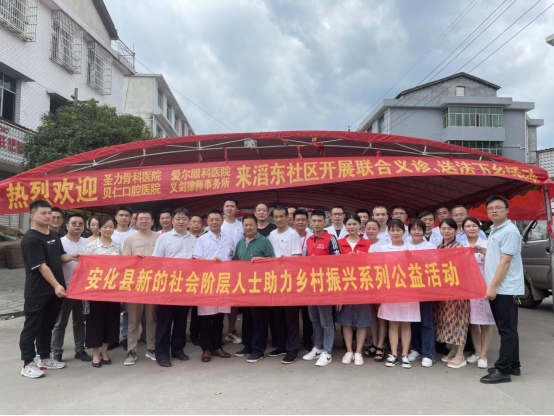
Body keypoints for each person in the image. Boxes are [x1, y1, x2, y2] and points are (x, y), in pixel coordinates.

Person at [19, 201, 79, 379]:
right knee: (32, 328)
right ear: (32, 216)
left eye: (49, 213)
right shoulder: (31, 239)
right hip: (38, 292)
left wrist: (72, 257)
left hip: (54, 292)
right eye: (43, 213)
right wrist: (56, 285)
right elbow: (41, 266)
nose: (48, 216)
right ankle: (27, 364)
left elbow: (59, 257)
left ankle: (44, 359)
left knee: (47, 327)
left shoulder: (53, 235)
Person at [479, 196, 524, 385]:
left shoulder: (510, 231)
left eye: (498, 207)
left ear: (507, 210)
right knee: (508, 329)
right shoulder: (496, 230)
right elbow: (498, 254)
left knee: (506, 330)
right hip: (500, 288)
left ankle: (503, 370)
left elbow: (505, 262)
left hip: (505, 289)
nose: (494, 211)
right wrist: (482, 250)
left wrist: (492, 286)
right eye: (490, 208)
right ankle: (513, 365)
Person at [152, 208, 196, 368]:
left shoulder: (194, 239)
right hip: (168, 285)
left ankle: (178, 349)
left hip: (186, 285)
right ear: (172, 220)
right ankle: (162, 354)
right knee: (164, 321)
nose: (181, 221)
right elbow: (156, 261)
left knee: (181, 319)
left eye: (184, 219)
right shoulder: (163, 238)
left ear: (189, 221)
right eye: (178, 219)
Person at [375, 219, 421, 369]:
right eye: (392, 230)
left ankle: (405, 355)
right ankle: (394, 354)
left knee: (406, 323)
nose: (395, 233)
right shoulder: (383, 249)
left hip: (408, 291)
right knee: (392, 322)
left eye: (398, 230)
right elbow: (378, 269)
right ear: (388, 232)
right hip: (390, 289)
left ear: (403, 232)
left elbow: (417, 268)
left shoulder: (411, 248)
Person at [193, 210, 235, 363]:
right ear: (207, 222)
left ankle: (217, 346)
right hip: (207, 282)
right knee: (205, 317)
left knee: (219, 316)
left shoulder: (229, 239)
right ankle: (206, 349)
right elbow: (196, 261)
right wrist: (211, 262)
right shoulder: (202, 240)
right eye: (211, 220)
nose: (214, 222)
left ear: (221, 221)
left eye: (217, 219)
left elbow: (233, 258)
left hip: (224, 281)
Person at [234, 215, 276, 363]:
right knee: (247, 318)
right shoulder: (240, 243)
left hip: (260, 287)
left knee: (259, 319)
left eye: (251, 224)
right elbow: (236, 263)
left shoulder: (264, 241)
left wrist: (261, 260)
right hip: (244, 287)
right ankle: (248, 346)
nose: (248, 227)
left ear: (256, 225)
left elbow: (273, 260)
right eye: (245, 225)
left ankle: (258, 350)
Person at [303, 210, 341, 367]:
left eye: (320, 221)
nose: (317, 223)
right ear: (311, 222)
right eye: (314, 221)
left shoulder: (331, 239)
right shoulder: (309, 239)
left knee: (326, 320)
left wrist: (319, 263)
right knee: (314, 318)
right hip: (311, 285)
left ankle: (327, 351)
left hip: (325, 285)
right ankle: (318, 347)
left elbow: (338, 261)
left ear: (325, 222)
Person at [52, 214, 92, 363]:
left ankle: (80, 350)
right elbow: (54, 261)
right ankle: (57, 351)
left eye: (80, 223)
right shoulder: (59, 242)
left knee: (80, 321)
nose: (77, 226)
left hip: (83, 290)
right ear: (67, 225)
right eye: (74, 223)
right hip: (66, 289)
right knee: (60, 323)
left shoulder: (88, 243)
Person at [122, 209, 160, 366]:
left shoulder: (160, 237)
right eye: (141, 218)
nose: (144, 221)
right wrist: (134, 260)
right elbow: (124, 262)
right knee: (133, 320)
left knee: (152, 318)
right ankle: (131, 350)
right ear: (135, 222)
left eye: (147, 218)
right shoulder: (129, 240)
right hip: (135, 285)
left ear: (152, 221)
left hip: (154, 284)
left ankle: (151, 348)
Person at [84, 216, 123, 369]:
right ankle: (95, 353)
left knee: (111, 321)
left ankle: (105, 351)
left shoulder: (117, 247)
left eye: (111, 227)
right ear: (99, 228)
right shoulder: (91, 246)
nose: (108, 229)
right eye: (105, 227)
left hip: (113, 291)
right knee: (95, 322)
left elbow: (123, 267)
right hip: (96, 291)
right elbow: (85, 268)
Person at [268, 206, 302, 365]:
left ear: (288, 217)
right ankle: (281, 345)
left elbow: (297, 256)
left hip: (289, 281)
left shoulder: (293, 234)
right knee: (278, 316)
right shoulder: (271, 235)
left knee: (291, 317)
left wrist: (285, 261)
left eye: (281, 216)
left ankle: (293, 349)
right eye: (276, 217)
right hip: (275, 281)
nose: (279, 219)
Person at [337, 214, 372, 366]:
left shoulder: (367, 243)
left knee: (362, 321)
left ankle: (358, 352)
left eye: (354, 224)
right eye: (349, 224)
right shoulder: (339, 243)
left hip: (362, 285)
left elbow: (373, 264)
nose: (352, 227)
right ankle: (349, 350)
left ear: (360, 225)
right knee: (345, 320)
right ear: (345, 226)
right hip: (344, 285)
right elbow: (332, 264)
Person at [435, 218, 470, 369]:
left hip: (457, 290)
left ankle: (460, 355)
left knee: (459, 320)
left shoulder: (459, 247)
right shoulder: (439, 246)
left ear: (455, 230)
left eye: (450, 228)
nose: (446, 231)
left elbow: (462, 269)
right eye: (443, 228)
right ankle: (454, 350)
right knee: (448, 320)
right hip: (444, 290)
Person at [462, 217, 495, 370]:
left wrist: (484, 251)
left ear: (479, 228)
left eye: (474, 226)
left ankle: (484, 355)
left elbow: (496, 262)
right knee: (473, 321)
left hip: (483, 284)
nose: (471, 228)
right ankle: (477, 351)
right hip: (467, 287)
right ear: (463, 229)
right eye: (468, 226)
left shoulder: (487, 244)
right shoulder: (460, 245)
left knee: (485, 321)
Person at [406, 219, 438, 368]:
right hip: (409, 288)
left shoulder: (430, 246)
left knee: (426, 320)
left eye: (420, 229)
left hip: (426, 288)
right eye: (414, 229)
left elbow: (435, 266)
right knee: (412, 320)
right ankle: (416, 349)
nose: (417, 232)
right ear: (409, 231)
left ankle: (428, 353)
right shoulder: (405, 246)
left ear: (424, 231)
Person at [112, 206, 137, 350]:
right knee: (113, 308)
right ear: (116, 217)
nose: (123, 218)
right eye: (121, 215)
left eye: (127, 215)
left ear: (131, 218)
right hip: (112, 276)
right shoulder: (110, 232)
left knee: (128, 309)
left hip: (130, 276)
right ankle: (112, 337)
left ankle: (127, 337)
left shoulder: (135, 234)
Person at [221, 198, 244, 345]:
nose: (229, 208)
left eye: (232, 206)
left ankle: (231, 330)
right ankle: (217, 331)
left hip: (238, 267)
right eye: (227, 206)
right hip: (221, 268)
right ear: (223, 209)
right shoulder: (218, 224)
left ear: (237, 209)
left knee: (234, 301)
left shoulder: (242, 225)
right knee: (221, 300)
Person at [365, 219, 386, 359]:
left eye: (374, 229)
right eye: (368, 228)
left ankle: (380, 344)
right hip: (366, 283)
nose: (371, 231)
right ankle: (373, 341)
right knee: (372, 314)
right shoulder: (363, 243)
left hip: (380, 283)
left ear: (379, 230)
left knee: (381, 314)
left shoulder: (384, 244)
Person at [293, 209, 314, 352]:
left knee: (307, 313)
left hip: (308, 278)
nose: (300, 222)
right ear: (293, 221)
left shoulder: (312, 236)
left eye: (303, 220)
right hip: (291, 278)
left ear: (307, 221)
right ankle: (293, 341)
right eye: (297, 220)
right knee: (293, 311)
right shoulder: (289, 235)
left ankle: (307, 339)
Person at [187, 215, 203, 346]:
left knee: (197, 308)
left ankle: (195, 334)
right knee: (183, 307)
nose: (196, 224)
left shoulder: (204, 238)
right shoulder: (185, 238)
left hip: (201, 277)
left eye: (199, 222)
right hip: (185, 276)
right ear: (189, 224)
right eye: (193, 222)